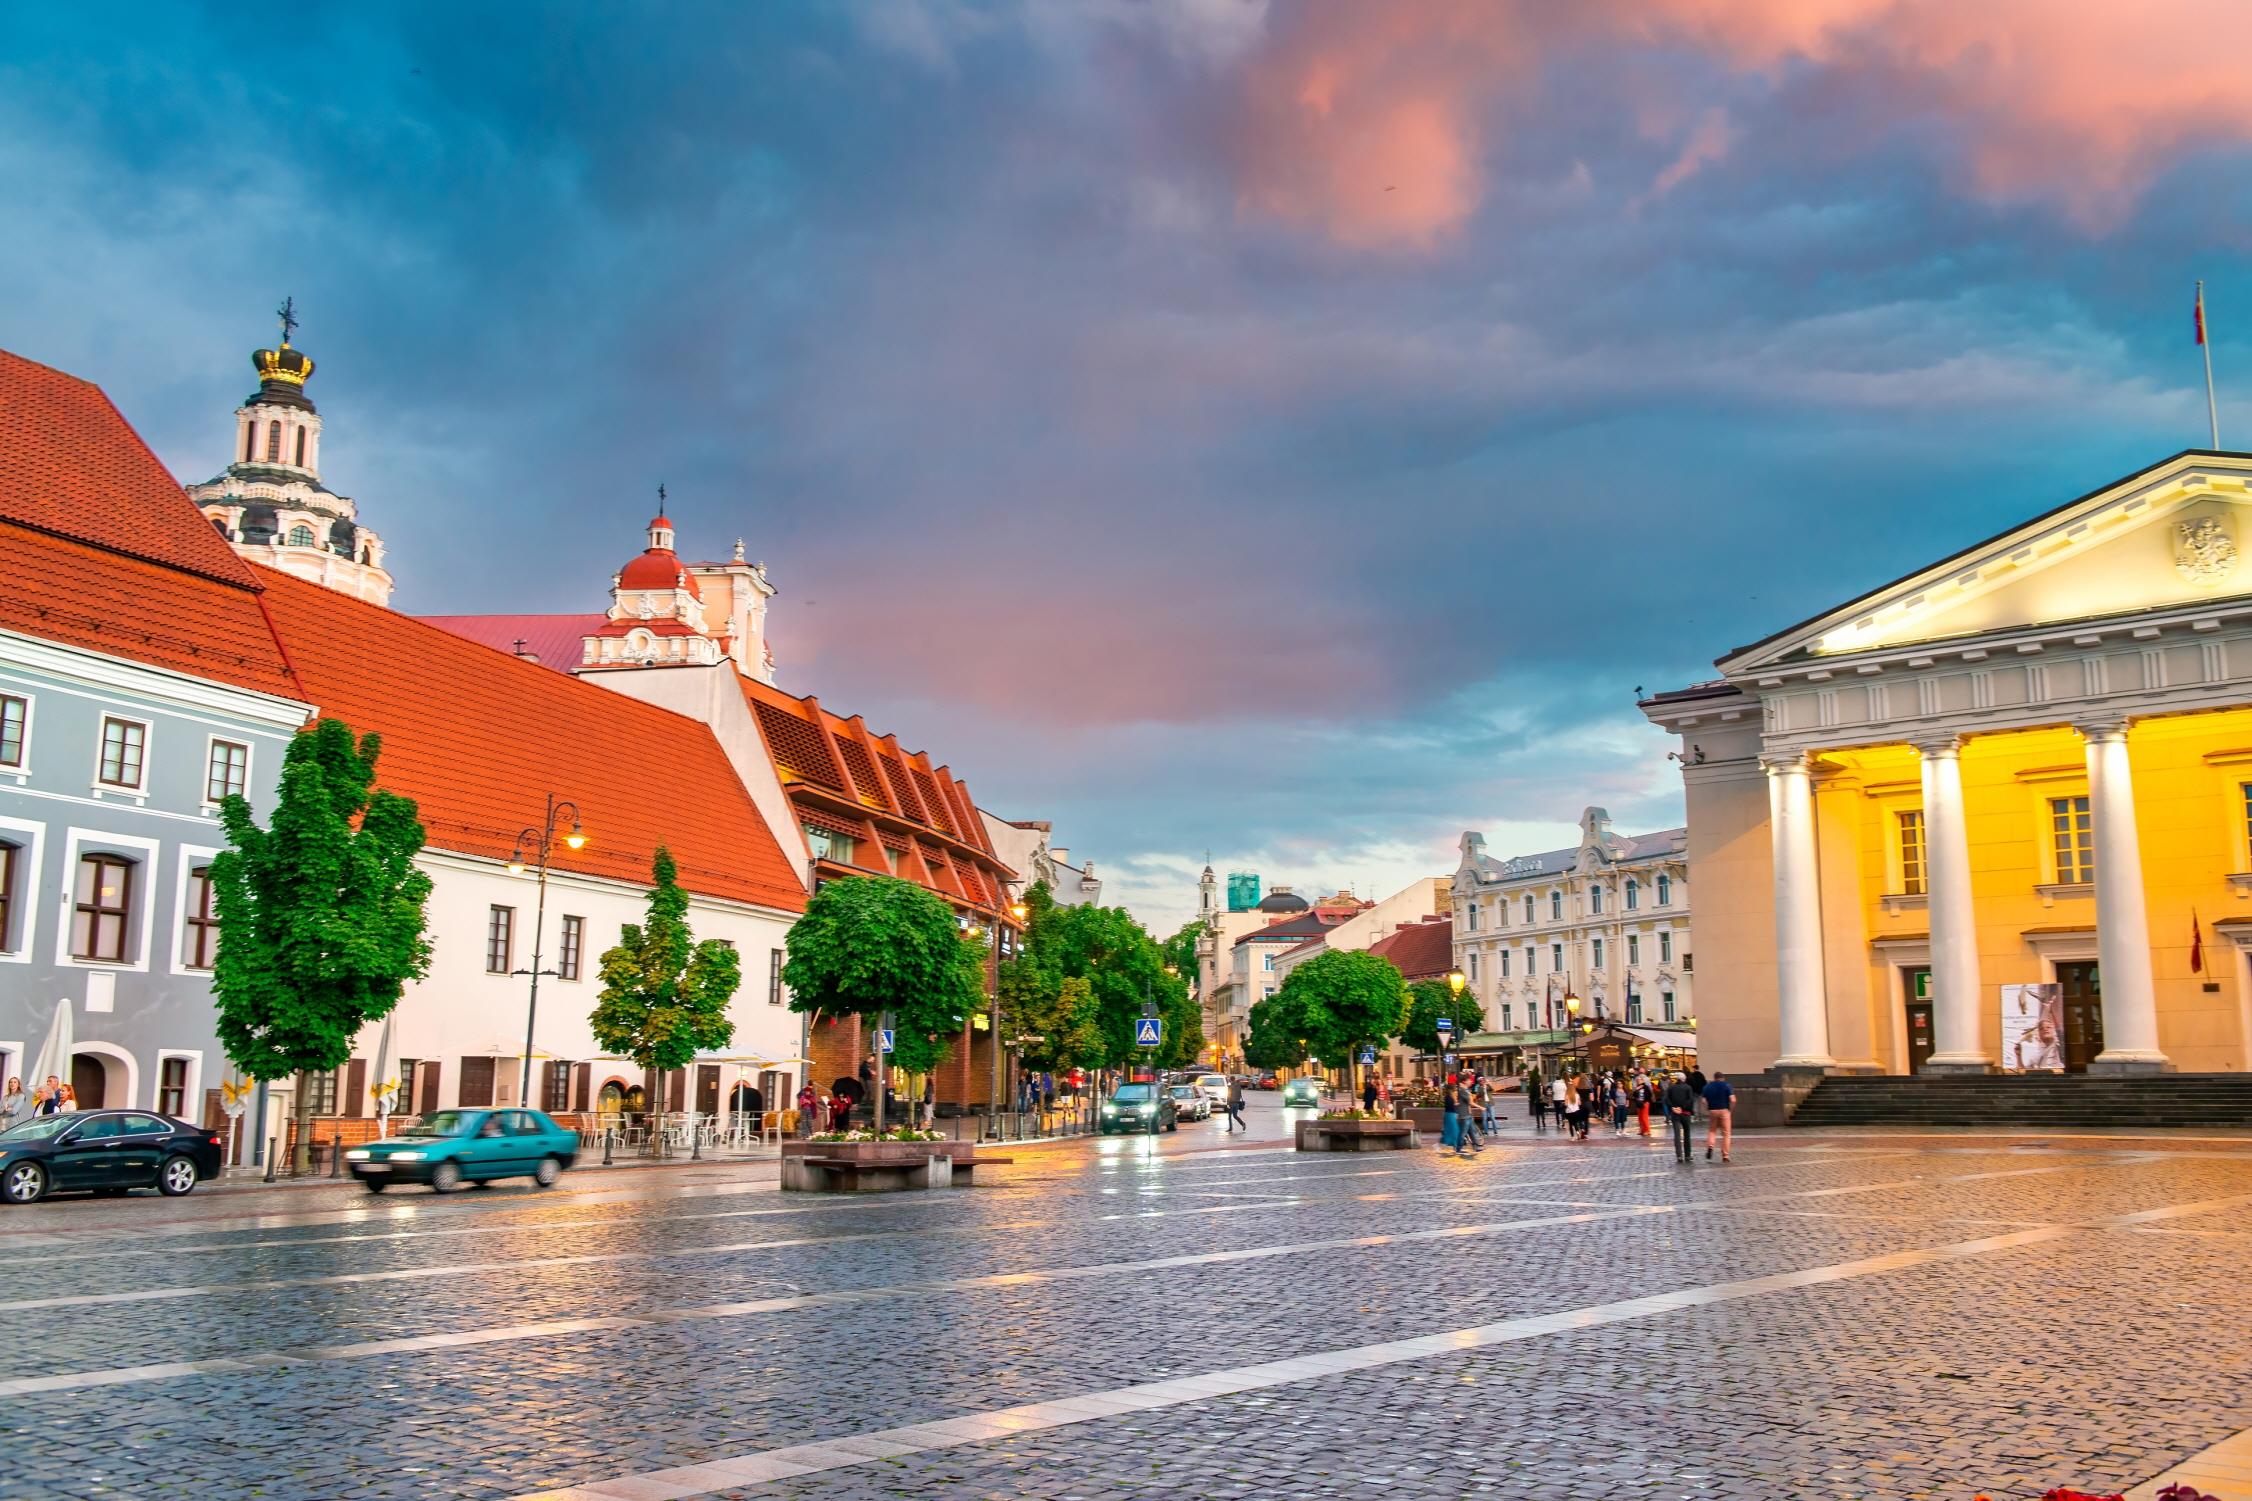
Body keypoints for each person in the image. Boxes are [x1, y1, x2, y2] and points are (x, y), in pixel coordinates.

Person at [1663, 1071, 1697, 1162]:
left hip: (1675, 1114)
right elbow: (1690, 1100)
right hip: (1685, 1113)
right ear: (1684, 1079)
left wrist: (1673, 1107)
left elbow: (1666, 1099)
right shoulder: (1688, 1088)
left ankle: (1679, 1155)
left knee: (1677, 1135)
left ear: (1677, 1079)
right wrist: (1682, 1108)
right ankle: (1687, 1155)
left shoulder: (1671, 1088)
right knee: (1687, 1134)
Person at [1703, 1071, 1735, 1162]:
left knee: (1712, 1131)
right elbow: (1733, 1100)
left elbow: (1703, 1100)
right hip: (1724, 1110)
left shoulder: (1708, 1086)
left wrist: (1708, 1109)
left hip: (1713, 1110)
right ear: (1722, 1078)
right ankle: (1725, 1155)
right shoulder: (1727, 1085)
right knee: (1726, 1134)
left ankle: (1710, 1146)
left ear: (1714, 1078)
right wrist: (1730, 1111)